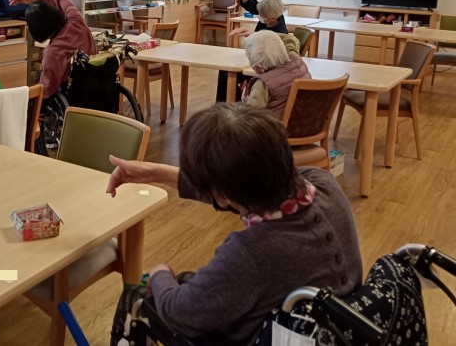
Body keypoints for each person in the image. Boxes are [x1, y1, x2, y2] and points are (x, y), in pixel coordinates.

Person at [108, 103, 362, 346]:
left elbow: (179, 313)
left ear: (222, 194)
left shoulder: (251, 254)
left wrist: (159, 273)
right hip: (336, 326)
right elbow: (238, 192)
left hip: (252, 335)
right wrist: (154, 173)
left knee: (137, 297)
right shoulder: (322, 183)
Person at [9, 0, 97, 99]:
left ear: (36, 29)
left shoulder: (52, 52)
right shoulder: (77, 21)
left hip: (76, 99)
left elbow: (46, 91)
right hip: (97, 86)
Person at [217, 0, 288, 102]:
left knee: (228, 74)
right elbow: (256, 7)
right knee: (224, 68)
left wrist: (251, 37)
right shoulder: (273, 16)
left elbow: (265, 56)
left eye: (262, 16)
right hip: (258, 61)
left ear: (272, 18)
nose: (259, 17)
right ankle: (226, 104)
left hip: (266, 68)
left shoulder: (279, 33)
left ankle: (231, 106)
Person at [241, 30, 311, 118]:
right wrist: (264, 37)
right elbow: (290, 38)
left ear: (259, 66)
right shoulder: (296, 59)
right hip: (306, 120)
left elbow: (250, 118)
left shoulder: (262, 85)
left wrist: (245, 101)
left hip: (276, 125)